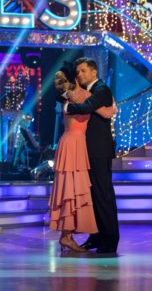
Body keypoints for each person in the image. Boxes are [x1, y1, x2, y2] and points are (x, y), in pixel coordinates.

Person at [50, 62, 116, 252]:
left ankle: (72, 236)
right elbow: (106, 111)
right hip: (75, 145)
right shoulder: (82, 94)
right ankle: (70, 236)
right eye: (77, 72)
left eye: (83, 71)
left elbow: (98, 108)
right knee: (72, 189)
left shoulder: (86, 92)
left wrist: (67, 101)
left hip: (79, 146)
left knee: (75, 190)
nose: (79, 74)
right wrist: (113, 108)